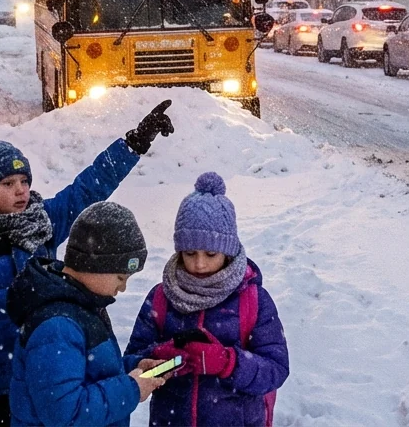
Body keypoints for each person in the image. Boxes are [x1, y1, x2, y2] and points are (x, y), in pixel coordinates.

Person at [0, 101, 176, 427]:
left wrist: (133, 144)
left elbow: (89, 187)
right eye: (7, 184)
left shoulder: (42, 223)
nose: (21, 190)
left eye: (24, 180)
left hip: (40, 376)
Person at [124, 173, 289, 427]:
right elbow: (130, 363)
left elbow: (276, 369)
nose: (199, 264)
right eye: (190, 253)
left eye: (211, 254)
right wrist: (159, 359)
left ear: (228, 251)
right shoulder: (161, 297)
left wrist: (228, 363)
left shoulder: (254, 300)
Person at [6, 202, 167, 427]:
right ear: (95, 265)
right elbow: (64, 414)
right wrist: (130, 389)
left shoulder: (79, 306)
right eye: (121, 278)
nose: (122, 289)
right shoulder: (57, 326)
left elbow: (87, 369)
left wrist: (132, 368)